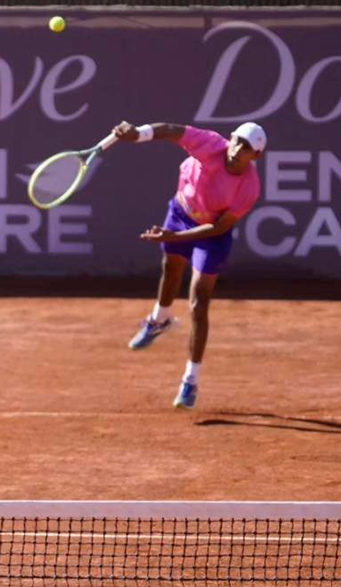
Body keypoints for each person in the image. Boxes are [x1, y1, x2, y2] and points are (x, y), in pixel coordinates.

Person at [113, 120, 266, 410]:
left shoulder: (249, 187)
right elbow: (170, 130)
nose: (237, 149)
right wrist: (137, 135)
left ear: (256, 157)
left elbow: (219, 227)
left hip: (211, 234)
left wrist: (177, 236)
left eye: (246, 148)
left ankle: (190, 381)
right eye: (236, 141)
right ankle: (160, 320)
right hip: (181, 211)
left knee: (199, 301)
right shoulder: (210, 143)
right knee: (171, 267)